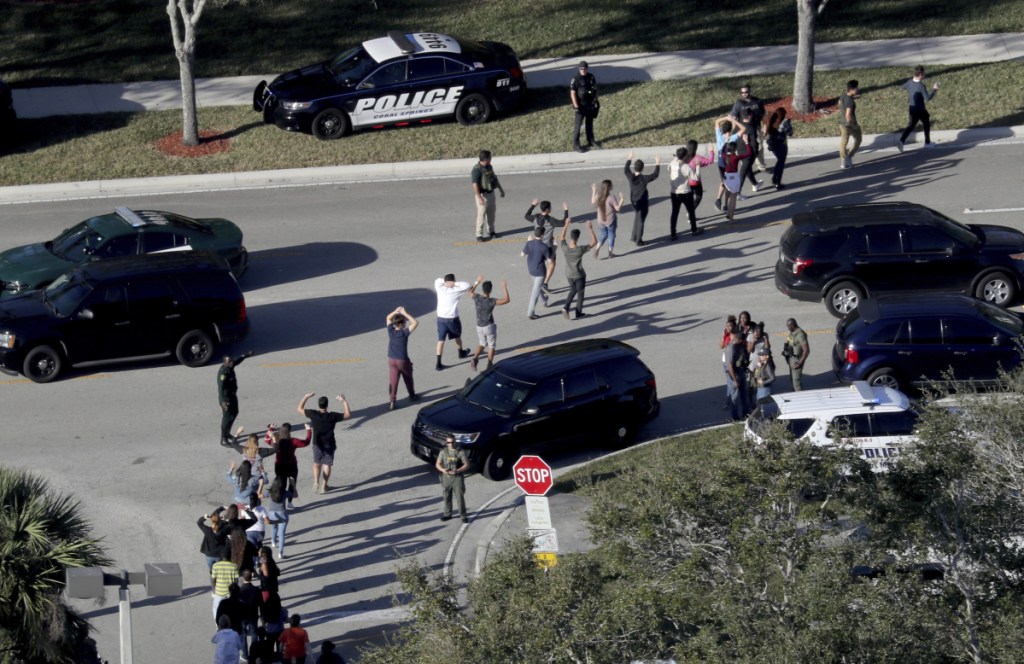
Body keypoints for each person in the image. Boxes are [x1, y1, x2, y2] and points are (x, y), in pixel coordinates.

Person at [298, 393, 351, 494]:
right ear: (327, 405)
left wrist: (305, 397)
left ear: (319, 405)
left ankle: (315, 481)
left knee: (317, 462)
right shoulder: (332, 416)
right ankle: (324, 485)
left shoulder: (313, 414)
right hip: (329, 444)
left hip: (316, 443)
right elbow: (348, 415)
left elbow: (299, 408)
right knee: (327, 464)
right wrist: (343, 401)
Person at [434, 273, 477, 370]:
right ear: (453, 281)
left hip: (440, 318)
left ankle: (438, 363)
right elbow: (467, 284)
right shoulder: (456, 290)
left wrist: (446, 283)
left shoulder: (440, 288)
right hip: (452, 319)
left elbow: (437, 280)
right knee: (457, 336)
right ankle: (460, 352)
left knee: (440, 340)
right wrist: (454, 284)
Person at [524, 199, 569, 291]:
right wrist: (566, 210)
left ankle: (540, 280)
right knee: (552, 263)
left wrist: (532, 205)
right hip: (547, 247)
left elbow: (526, 216)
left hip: (537, 244)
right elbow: (563, 222)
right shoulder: (551, 220)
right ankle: (545, 283)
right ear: (548, 209)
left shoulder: (535, 218)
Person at [468, 278, 510, 371]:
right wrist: (504, 287)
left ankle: (475, 359)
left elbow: (470, 292)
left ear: (483, 289)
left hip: (479, 326)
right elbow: (507, 300)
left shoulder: (477, 298)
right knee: (491, 345)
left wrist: (477, 282)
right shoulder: (491, 301)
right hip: (489, 326)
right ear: (490, 290)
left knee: (482, 343)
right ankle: (489, 364)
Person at [265, 422, 311, 508]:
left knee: (281, 483)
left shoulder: (276, 440)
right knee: (292, 483)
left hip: (279, 465)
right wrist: (308, 430)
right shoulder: (293, 441)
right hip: (291, 466)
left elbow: (267, 439)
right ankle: (290, 502)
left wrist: (270, 429)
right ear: (289, 431)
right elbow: (306, 442)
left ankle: (280, 501)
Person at [729, 83, 766, 187]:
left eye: (746, 92)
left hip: (756, 127)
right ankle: (747, 166)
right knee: (747, 150)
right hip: (743, 130)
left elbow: (763, 114)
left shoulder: (757, 101)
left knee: (759, 148)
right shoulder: (738, 104)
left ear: (750, 91)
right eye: (742, 92)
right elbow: (734, 118)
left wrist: (764, 125)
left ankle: (761, 166)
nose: (744, 94)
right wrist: (733, 132)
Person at [559, 219, 597, 320]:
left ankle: (566, 307)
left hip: (569, 274)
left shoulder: (565, 248)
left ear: (570, 237)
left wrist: (566, 225)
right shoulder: (580, 249)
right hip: (579, 275)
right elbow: (594, 242)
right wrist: (590, 229)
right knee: (580, 293)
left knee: (573, 289)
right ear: (578, 238)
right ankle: (578, 312)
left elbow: (561, 237)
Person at [385, 306, 420, 410]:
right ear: (401, 324)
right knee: (408, 378)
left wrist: (395, 311)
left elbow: (387, 318)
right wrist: (405, 313)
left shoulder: (391, 331)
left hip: (391, 360)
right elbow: (415, 322)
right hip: (402, 360)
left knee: (393, 381)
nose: (405, 324)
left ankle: (392, 401)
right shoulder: (404, 333)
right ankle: (412, 395)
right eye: (404, 322)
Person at [897, 65, 939, 151]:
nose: (924, 75)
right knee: (926, 123)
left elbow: (901, 87)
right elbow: (927, 98)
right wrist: (934, 89)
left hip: (912, 109)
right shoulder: (921, 86)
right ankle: (927, 143)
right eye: (923, 73)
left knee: (911, 126)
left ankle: (901, 141)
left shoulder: (909, 82)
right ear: (920, 75)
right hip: (921, 110)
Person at [218, 351, 255, 447]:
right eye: (229, 362)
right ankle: (223, 439)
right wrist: (223, 402)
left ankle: (227, 433)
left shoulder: (230, 366)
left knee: (235, 413)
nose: (231, 363)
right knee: (226, 418)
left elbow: (237, 361)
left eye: (231, 361)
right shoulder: (223, 373)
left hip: (232, 395)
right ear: (224, 363)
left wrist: (246, 355)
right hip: (226, 399)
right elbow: (220, 389)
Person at [625, 150, 661, 246]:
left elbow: (626, 169)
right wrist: (657, 163)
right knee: (641, 220)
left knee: (637, 217)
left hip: (633, 202)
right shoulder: (644, 179)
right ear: (642, 168)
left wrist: (629, 158)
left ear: (635, 168)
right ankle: (638, 240)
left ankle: (633, 236)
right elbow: (655, 175)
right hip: (643, 202)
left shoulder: (630, 177)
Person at [471, 150, 505, 241]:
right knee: (481, 215)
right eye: (490, 157)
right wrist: (479, 197)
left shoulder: (489, 167)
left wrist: (501, 189)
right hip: (483, 195)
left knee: (491, 214)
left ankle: (491, 231)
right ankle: (479, 235)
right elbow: (475, 185)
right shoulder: (476, 170)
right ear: (485, 159)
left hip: (491, 194)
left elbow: (494, 178)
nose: (491, 159)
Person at [436, 436, 471, 523]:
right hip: (446, 477)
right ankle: (447, 514)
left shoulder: (460, 451)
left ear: (455, 442)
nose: (450, 444)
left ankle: (463, 515)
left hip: (457, 477)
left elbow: (467, 464)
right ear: (446, 442)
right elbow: (438, 464)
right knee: (446, 496)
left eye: (452, 442)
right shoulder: (443, 452)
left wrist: (458, 470)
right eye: (448, 442)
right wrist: (443, 470)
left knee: (459, 497)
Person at [521, 227, 554, 319]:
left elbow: (522, 254)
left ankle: (544, 301)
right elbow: (550, 261)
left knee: (537, 287)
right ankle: (530, 313)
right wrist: (554, 249)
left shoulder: (529, 243)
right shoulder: (544, 247)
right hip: (540, 272)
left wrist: (527, 242)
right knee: (534, 293)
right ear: (542, 235)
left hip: (531, 270)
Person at [713, 117, 743, 211]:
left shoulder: (719, 136)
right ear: (731, 130)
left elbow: (717, 122)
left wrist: (727, 117)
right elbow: (743, 129)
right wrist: (734, 121)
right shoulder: (733, 137)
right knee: (728, 184)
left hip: (721, 162)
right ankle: (726, 205)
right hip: (729, 163)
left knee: (723, 181)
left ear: (722, 129)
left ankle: (718, 199)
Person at [570, 60, 599, 152]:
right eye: (581, 68)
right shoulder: (575, 79)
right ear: (579, 69)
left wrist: (596, 100)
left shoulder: (591, 77)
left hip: (590, 104)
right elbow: (573, 93)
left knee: (589, 124)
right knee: (578, 126)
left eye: (584, 68)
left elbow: (595, 89)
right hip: (580, 106)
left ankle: (591, 140)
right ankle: (576, 144)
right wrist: (576, 106)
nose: (583, 70)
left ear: (587, 68)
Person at [721, 136, 753, 222]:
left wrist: (725, 142)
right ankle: (731, 218)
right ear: (735, 150)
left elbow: (722, 150)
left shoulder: (724, 156)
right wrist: (746, 143)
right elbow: (748, 153)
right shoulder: (736, 157)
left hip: (726, 177)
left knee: (728, 195)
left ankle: (728, 213)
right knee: (733, 198)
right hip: (734, 177)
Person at [591, 180, 624, 259]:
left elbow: (593, 201)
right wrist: (622, 199)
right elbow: (618, 209)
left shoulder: (599, 195)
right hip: (610, 221)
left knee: (603, 234)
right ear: (610, 187)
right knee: (611, 235)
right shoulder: (611, 198)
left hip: (601, 221)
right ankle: (610, 253)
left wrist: (594, 191)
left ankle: (597, 249)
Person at [264, 476, 293, 559]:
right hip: (282, 514)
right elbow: (294, 495)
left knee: (274, 528)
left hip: (272, 514)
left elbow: (260, 495)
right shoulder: (284, 492)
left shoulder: (269, 492)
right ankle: (280, 553)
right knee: (282, 535)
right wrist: (293, 485)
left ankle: (273, 542)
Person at [723, 330, 749, 421]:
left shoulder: (739, 346)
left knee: (743, 395)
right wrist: (735, 380)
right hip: (734, 374)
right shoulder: (730, 348)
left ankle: (746, 414)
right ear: (739, 339)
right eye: (742, 340)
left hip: (741, 371)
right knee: (734, 397)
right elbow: (729, 366)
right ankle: (734, 416)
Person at [765, 108, 793, 189]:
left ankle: (774, 179)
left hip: (773, 145)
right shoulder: (784, 123)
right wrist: (789, 123)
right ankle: (777, 181)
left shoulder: (771, 121)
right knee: (781, 163)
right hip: (782, 145)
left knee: (779, 161)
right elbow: (790, 133)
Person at [237, 569, 263, 657]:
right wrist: (262, 615)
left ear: (243, 578)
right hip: (253, 614)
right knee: (254, 633)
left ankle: (245, 654)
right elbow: (261, 604)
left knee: (243, 634)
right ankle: (254, 653)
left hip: (243, 616)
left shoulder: (240, 591)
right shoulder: (256, 590)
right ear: (251, 578)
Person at [839, 80, 861, 169]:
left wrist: (854, 98)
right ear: (851, 89)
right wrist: (853, 125)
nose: (858, 89)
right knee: (858, 139)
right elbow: (848, 115)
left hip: (841, 123)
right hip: (849, 124)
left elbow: (840, 103)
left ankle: (843, 161)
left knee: (844, 141)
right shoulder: (850, 102)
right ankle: (848, 157)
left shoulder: (843, 95)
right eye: (856, 88)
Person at [211, 550, 239, 620]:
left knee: (216, 609)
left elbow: (213, 580)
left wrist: (214, 590)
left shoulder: (215, 566)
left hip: (219, 592)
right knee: (230, 610)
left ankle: (218, 625)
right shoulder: (234, 566)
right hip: (229, 593)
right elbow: (236, 581)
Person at [784, 317, 810, 391]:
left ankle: (799, 396)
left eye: (789, 326)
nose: (788, 328)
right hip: (791, 357)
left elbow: (806, 351)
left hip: (797, 359)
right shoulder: (792, 333)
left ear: (793, 325)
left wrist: (799, 363)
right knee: (792, 379)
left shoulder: (800, 335)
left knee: (796, 382)